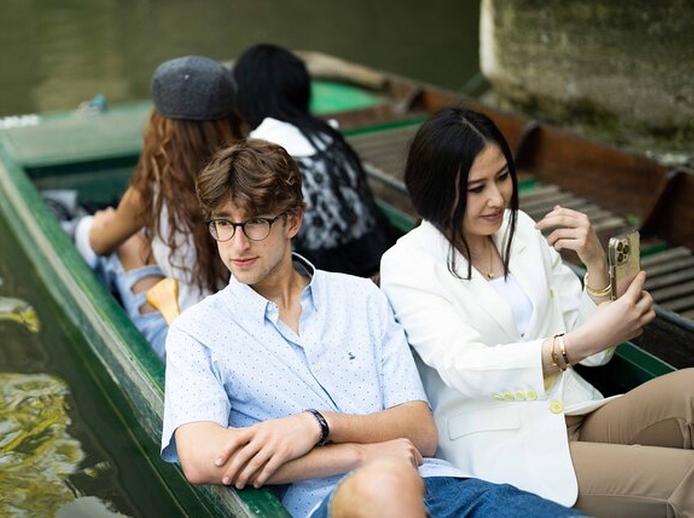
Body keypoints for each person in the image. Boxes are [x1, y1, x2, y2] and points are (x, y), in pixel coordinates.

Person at [161, 139, 587, 518]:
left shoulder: (360, 298)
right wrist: (362, 454)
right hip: (334, 503)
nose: (237, 245)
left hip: (439, 485)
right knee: (383, 488)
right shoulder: (198, 333)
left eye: (255, 223)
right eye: (223, 224)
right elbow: (203, 460)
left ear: (292, 221)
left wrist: (318, 425)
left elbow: (420, 430)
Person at [380, 106, 694, 517]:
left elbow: (596, 353)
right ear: (435, 190)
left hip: (576, 410)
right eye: (476, 188)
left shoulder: (519, 228)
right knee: (685, 480)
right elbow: (465, 366)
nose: (497, 199)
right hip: (508, 446)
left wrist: (596, 265)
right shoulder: (407, 263)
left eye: (503, 176)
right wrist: (576, 344)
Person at [74, 55, 244, 359]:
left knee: (115, 238)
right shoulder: (253, 173)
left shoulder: (152, 191)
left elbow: (99, 244)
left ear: (160, 125)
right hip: (244, 332)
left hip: (183, 346)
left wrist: (100, 224)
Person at [232, 44, 395, 278]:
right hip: (375, 251)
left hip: (319, 272)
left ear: (246, 96)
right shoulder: (328, 136)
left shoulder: (258, 152)